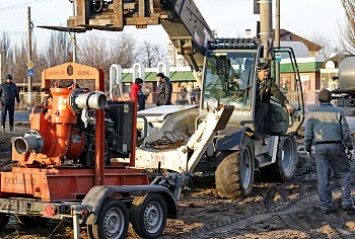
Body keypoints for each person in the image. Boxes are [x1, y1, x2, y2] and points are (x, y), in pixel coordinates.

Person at [304, 89, 354, 214]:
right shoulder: (339, 111)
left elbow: (308, 134)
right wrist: (350, 147)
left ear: (319, 100)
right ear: (331, 99)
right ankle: (347, 201)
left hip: (320, 148)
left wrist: (307, 148)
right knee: (344, 174)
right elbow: (345, 132)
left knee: (323, 178)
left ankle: (325, 206)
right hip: (337, 146)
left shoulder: (312, 114)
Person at [255, 62, 294, 135]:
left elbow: (277, 93)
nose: (267, 73)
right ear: (258, 72)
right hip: (248, 105)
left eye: (267, 71)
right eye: (265, 71)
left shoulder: (269, 82)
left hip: (260, 105)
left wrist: (286, 103)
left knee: (264, 106)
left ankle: (254, 129)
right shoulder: (250, 80)